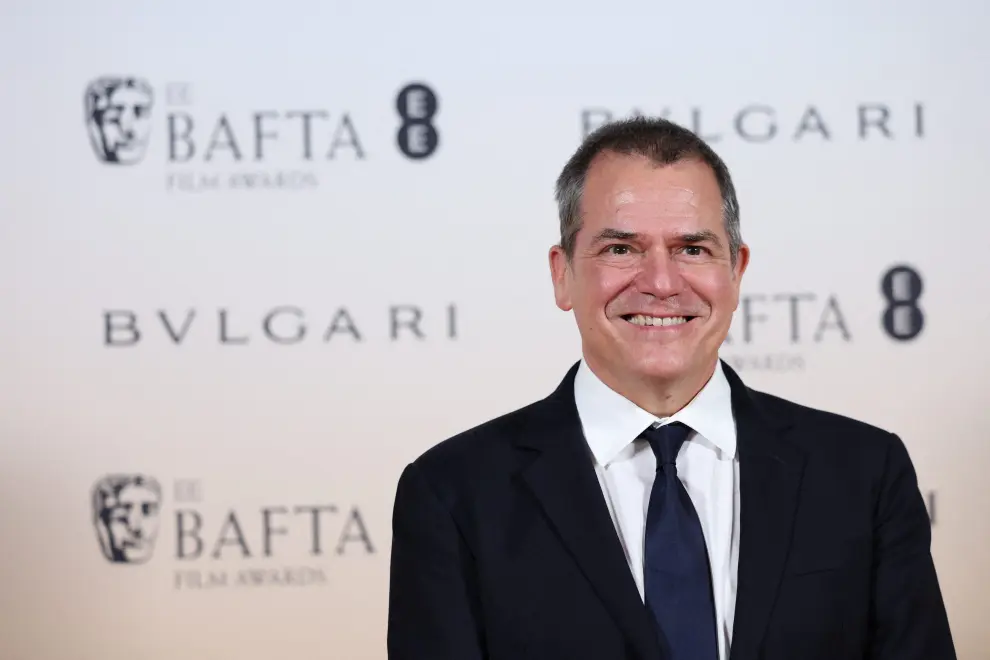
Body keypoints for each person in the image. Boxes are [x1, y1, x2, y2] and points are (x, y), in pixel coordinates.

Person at [386, 117, 956, 660]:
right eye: (620, 248)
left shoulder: (864, 474)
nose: (660, 282)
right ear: (563, 275)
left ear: (737, 271)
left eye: (692, 248)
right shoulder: (451, 494)